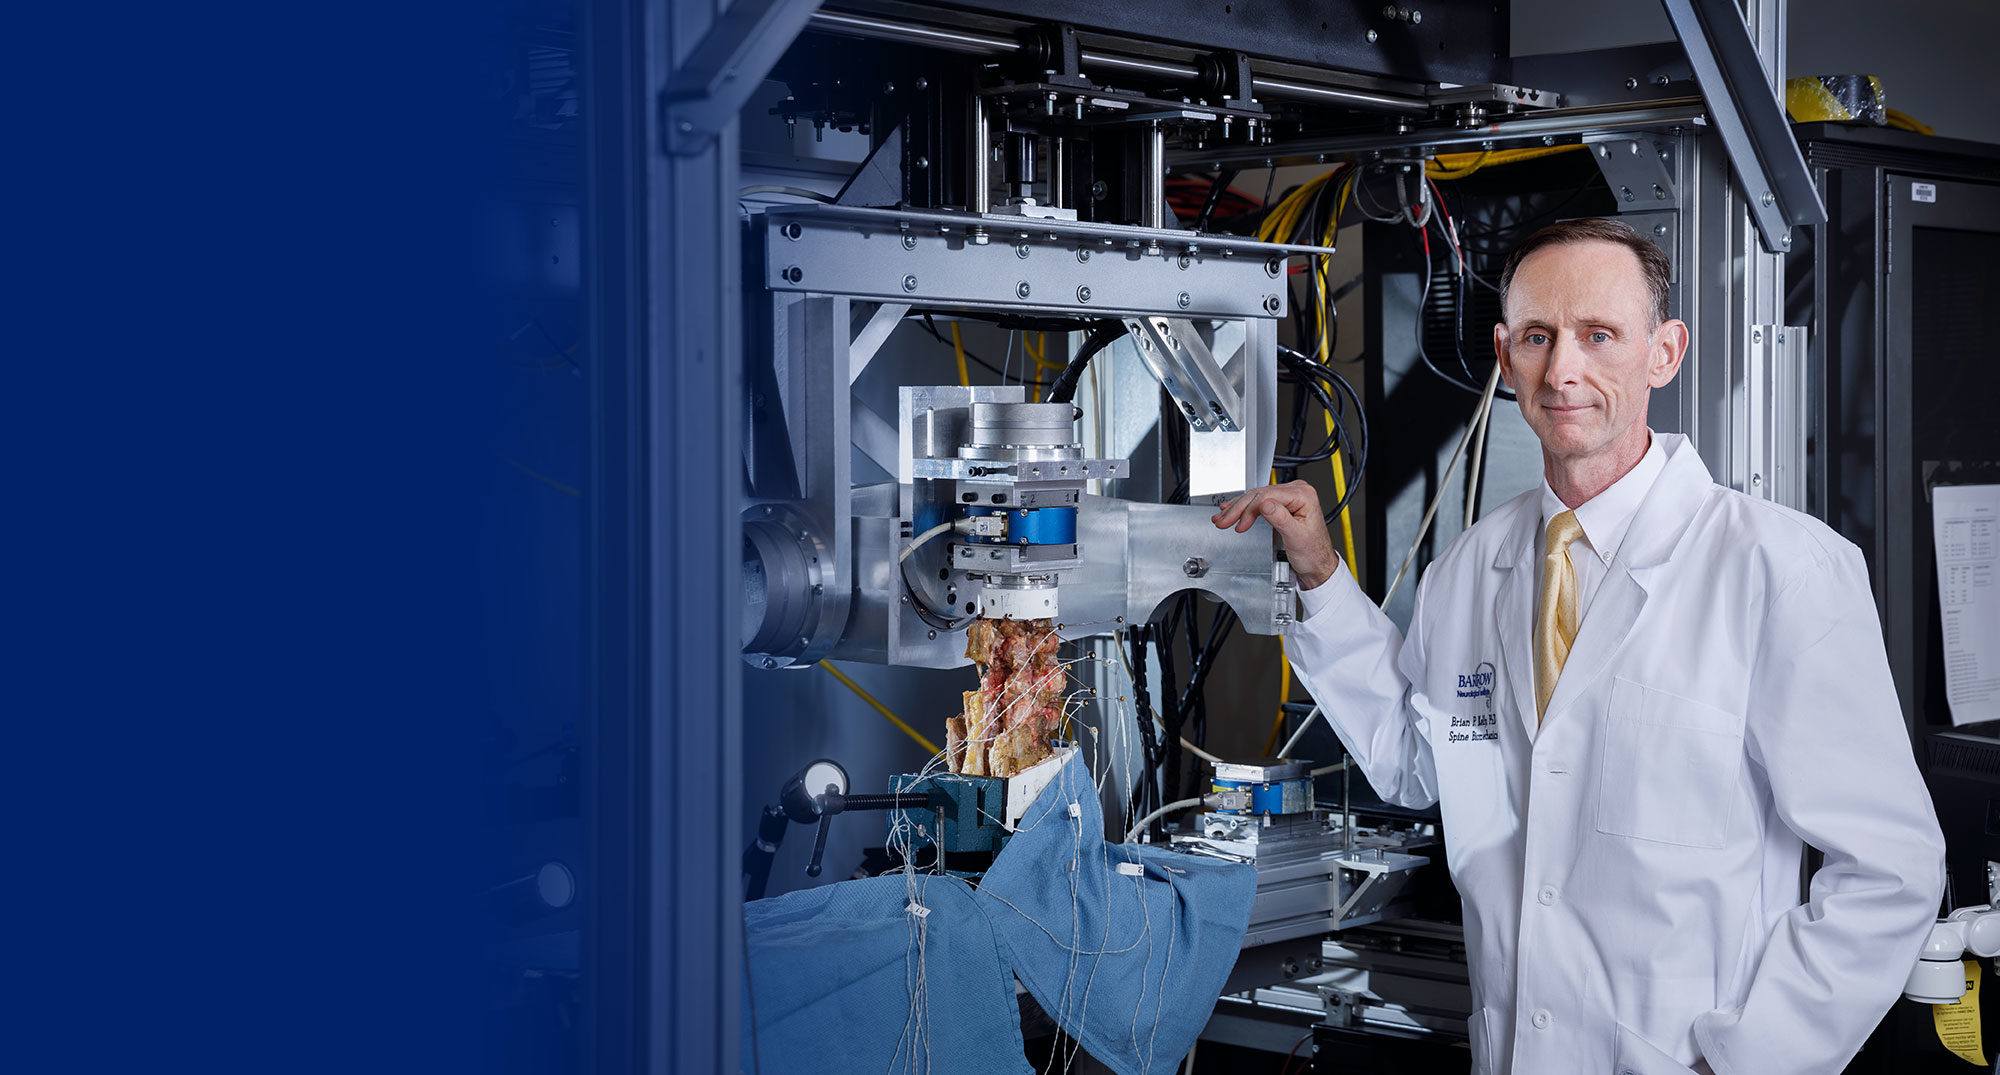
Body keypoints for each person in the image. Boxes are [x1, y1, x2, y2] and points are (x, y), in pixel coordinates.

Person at [1212, 217, 1944, 1075]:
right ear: (1502, 353)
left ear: (1664, 353)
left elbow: (1889, 872)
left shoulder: (1781, 569)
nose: (1564, 370)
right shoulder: (1470, 568)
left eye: (1600, 335)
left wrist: (1750, 1061)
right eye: (1537, 337)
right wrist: (1319, 570)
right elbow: (1416, 762)